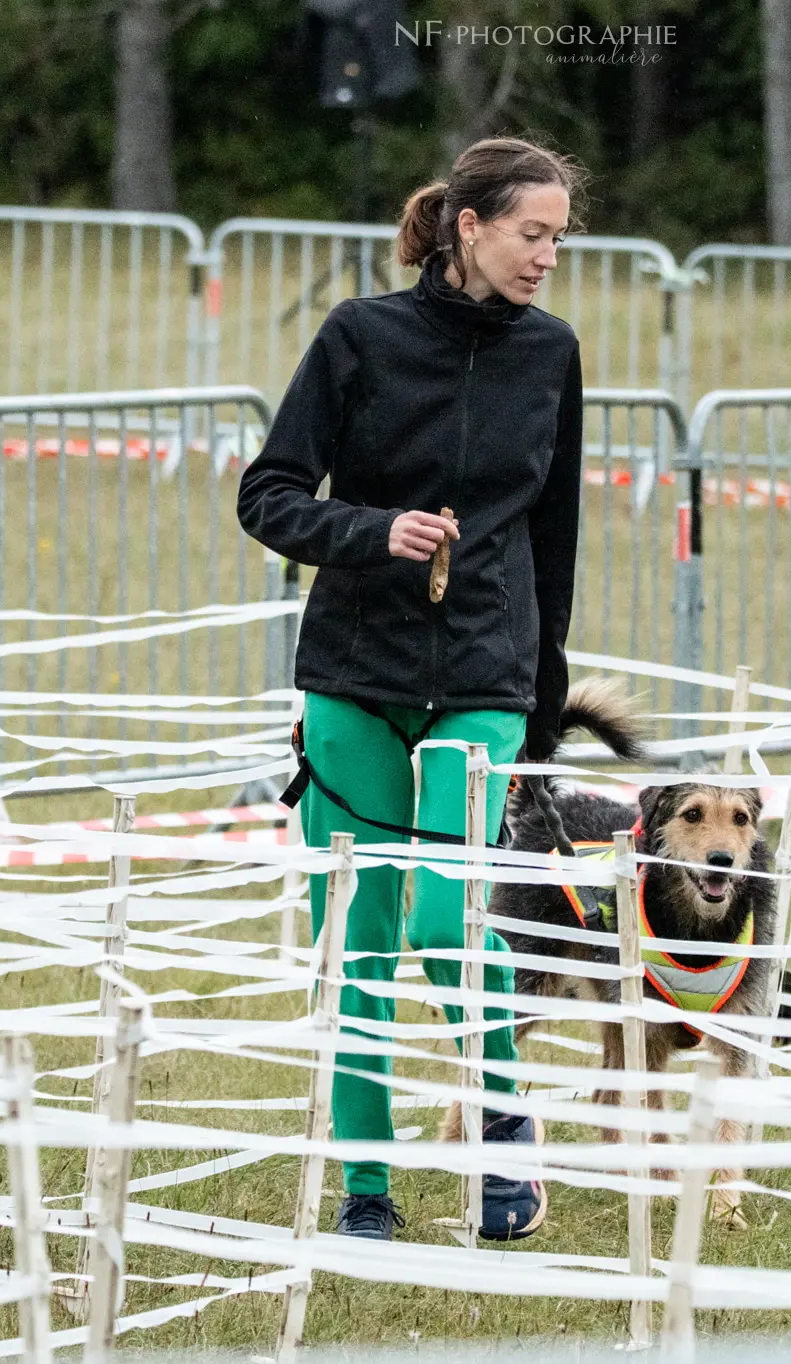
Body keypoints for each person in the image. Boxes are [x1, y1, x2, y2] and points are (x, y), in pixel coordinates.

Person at [236, 137, 585, 1242]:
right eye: (532, 233)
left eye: (559, 239)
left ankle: (501, 1141)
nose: (546, 257)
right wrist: (371, 530)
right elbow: (269, 495)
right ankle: (367, 1188)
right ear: (468, 227)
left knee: (446, 913)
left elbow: (555, 536)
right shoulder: (358, 336)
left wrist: (541, 703)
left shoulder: (552, 355)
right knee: (364, 935)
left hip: (484, 672)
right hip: (352, 673)